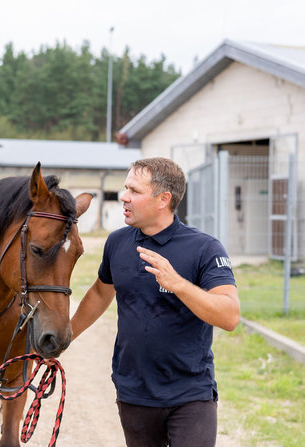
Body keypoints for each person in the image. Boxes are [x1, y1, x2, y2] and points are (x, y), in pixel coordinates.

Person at [70, 157, 239, 447]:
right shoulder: (118, 243)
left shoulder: (205, 248)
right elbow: (100, 293)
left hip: (190, 394)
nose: (124, 197)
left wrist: (178, 285)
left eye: (134, 191)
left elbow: (229, 315)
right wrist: (65, 338)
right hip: (134, 393)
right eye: (126, 188)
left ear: (163, 199)